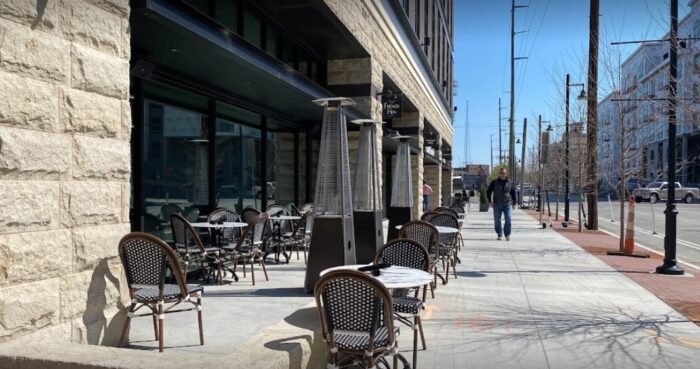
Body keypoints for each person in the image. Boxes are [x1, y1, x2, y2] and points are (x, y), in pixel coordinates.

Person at [487, 167, 517, 241]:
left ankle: (507, 234)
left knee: (508, 218)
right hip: (497, 204)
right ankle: (499, 234)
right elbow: (488, 191)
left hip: (507, 204)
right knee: (497, 220)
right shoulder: (494, 182)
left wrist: (514, 203)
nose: (502, 174)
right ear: (499, 174)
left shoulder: (510, 182)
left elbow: (513, 192)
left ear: (506, 174)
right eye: (501, 173)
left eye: (504, 173)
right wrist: (489, 201)